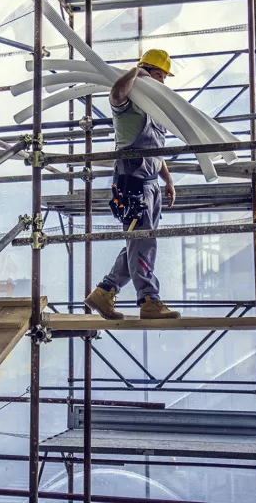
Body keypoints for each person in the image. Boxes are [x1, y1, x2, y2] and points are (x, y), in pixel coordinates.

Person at [84, 49, 181, 320]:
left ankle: (105, 291)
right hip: (133, 185)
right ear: (147, 71)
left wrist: (168, 180)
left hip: (151, 185)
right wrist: (135, 73)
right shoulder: (129, 108)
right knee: (142, 242)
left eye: (163, 77)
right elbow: (115, 95)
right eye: (159, 75)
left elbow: (155, 151)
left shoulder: (154, 111)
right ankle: (149, 300)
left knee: (137, 244)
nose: (162, 82)